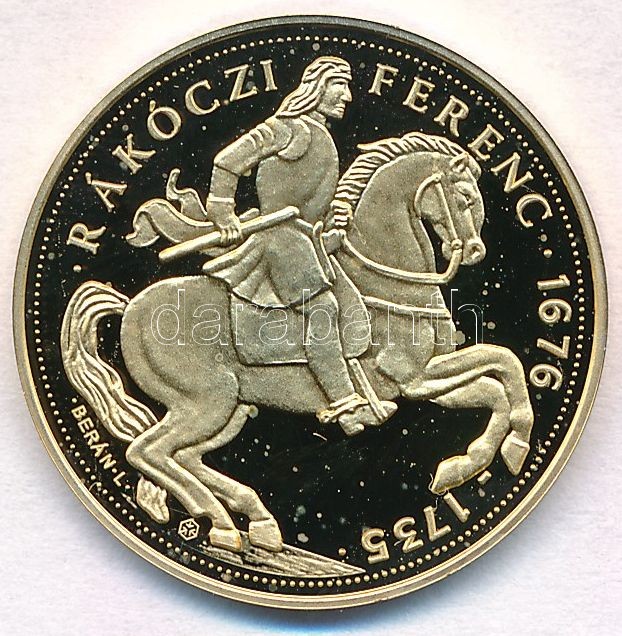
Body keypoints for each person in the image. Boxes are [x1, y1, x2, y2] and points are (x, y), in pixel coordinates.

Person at [203, 56, 396, 435]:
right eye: (340, 86)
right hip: (280, 238)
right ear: (317, 87)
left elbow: (307, 198)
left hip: (307, 238)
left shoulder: (320, 135)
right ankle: (346, 407)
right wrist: (222, 210)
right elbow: (228, 160)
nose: (347, 96)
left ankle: (357, 388)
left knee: (349, 304)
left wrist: (333, 219)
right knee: (322, 308)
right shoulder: (288, 128)